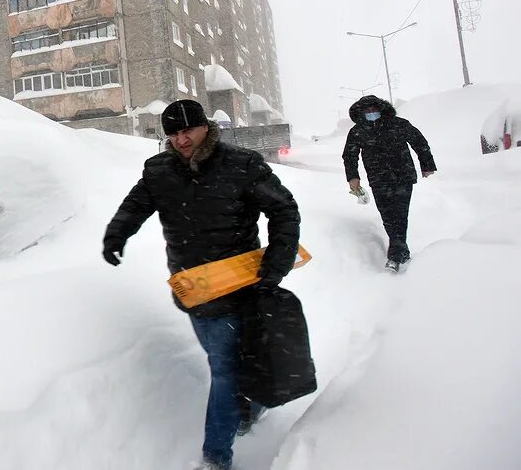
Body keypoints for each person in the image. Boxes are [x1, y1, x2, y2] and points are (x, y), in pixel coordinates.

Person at [102, 99, 301, 470]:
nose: (181, 139)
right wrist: (116, 236)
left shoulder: (242, 166)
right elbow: (135, 205)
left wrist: (278, 262)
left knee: (225, 369)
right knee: (230, 362)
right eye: (173, 133)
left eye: (188, 130)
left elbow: (283, 209)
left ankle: (215, 457)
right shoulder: (159, 171)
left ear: (206, 127)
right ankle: (248, 407)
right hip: (193, 287)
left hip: (240, 285)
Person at [343, 95, 436, 271]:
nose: (371, 113)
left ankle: (394, 257)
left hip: (403, 177)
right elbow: (349, 156)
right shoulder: (358, 131)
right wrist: (353, 177)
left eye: (374, 109)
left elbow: (419, 142)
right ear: (361, 113)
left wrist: (427, 165)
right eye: (367, 111)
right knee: (388, 218)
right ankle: (403, 251)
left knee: (400, 215)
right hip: (378, 180)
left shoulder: (398, 124)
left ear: (381, 109)